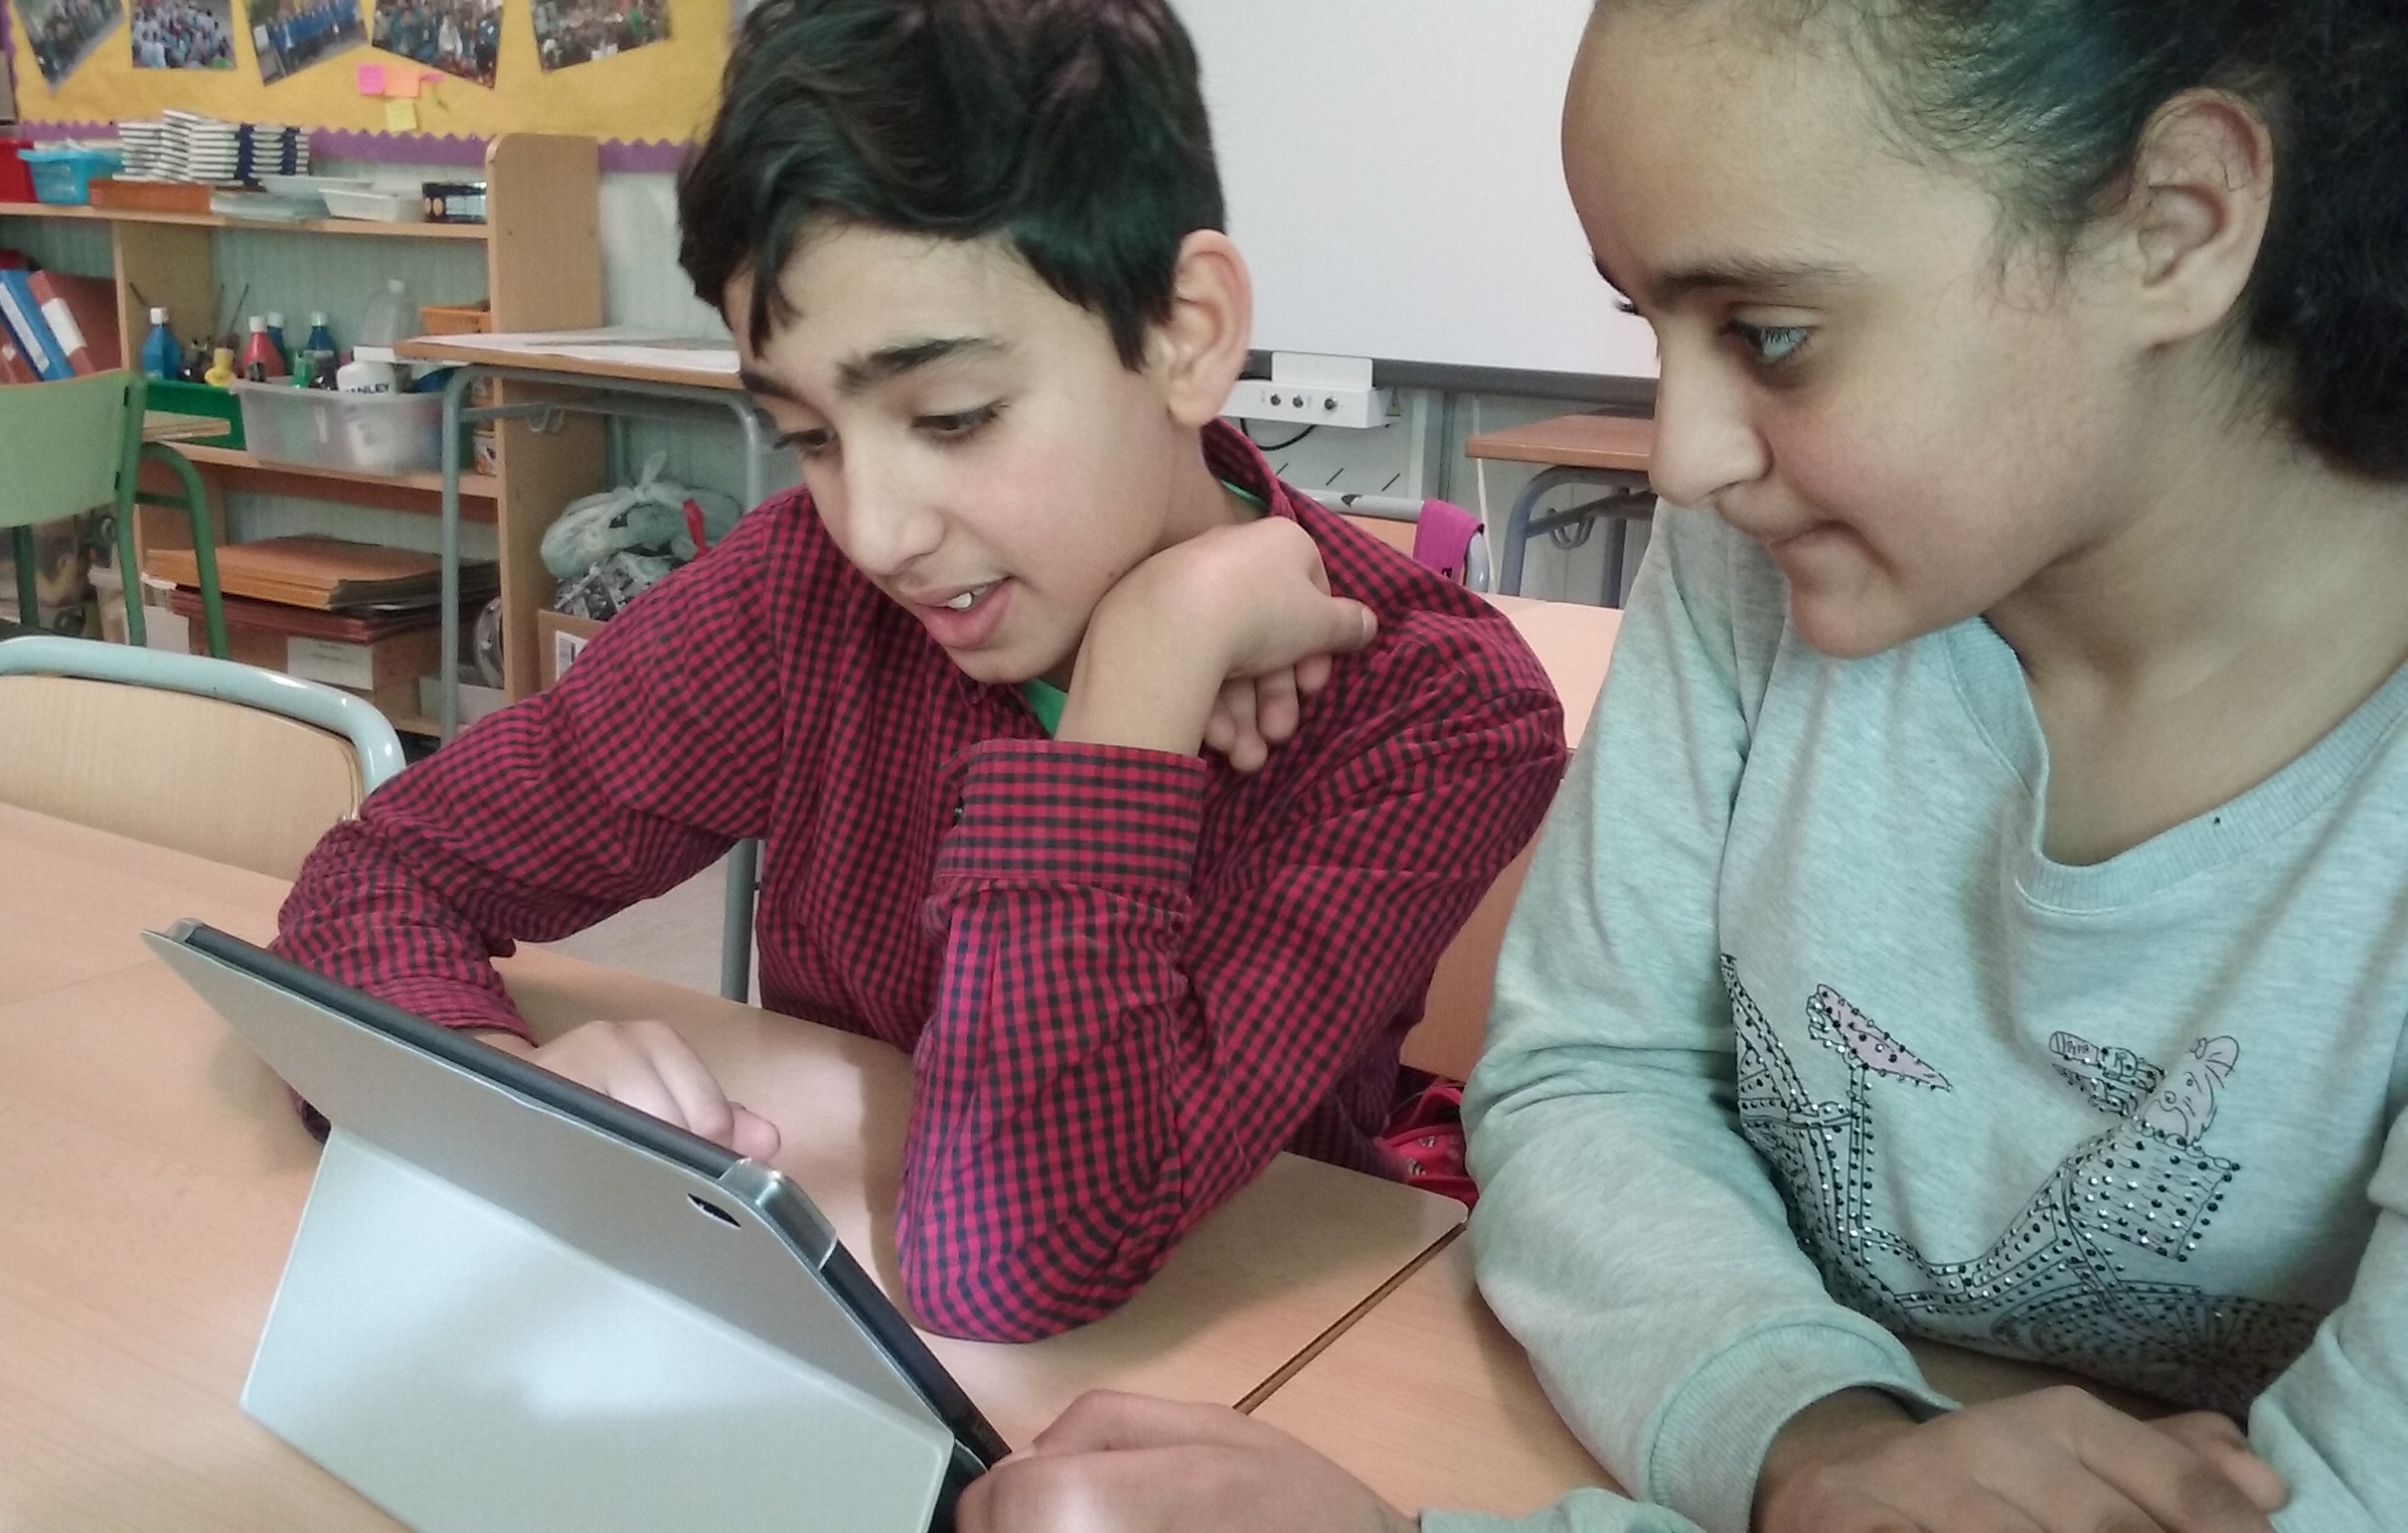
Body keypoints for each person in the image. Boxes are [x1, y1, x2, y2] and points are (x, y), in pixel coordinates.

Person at [952, 0, 2408, 1528]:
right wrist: (1821, 1448)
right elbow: (1589, 1073)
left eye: (1770, 335)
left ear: (2176, 222)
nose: (1684, 460)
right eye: (1650, 327)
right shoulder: (1752, 567)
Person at [272, 0, 1564, 1346]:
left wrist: (1140, 681)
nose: (878, 532)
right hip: (816, 1331)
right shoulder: (805, 591)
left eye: (952, 418)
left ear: (1186, 332)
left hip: (1232, 1364)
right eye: (811, 436)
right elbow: (387, 872)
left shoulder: (1435, 709)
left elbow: (1008, 1256)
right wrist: (493, 1085)